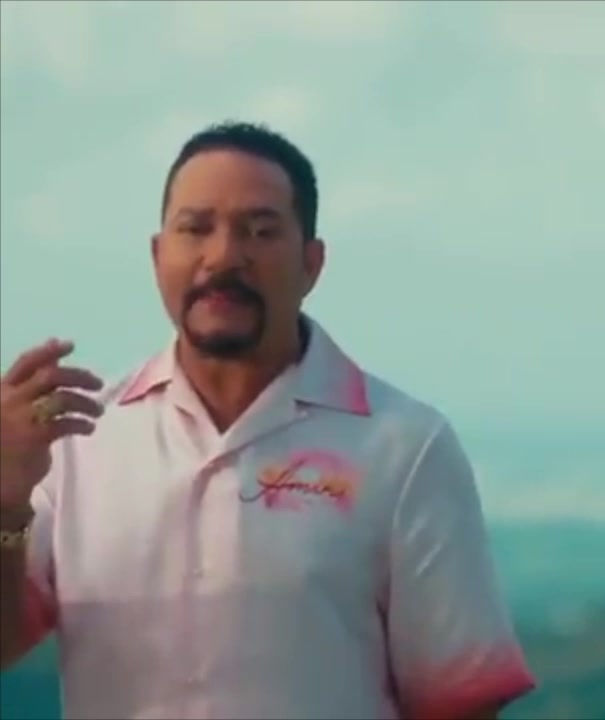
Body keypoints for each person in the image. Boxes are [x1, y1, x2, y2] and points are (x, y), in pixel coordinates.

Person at [0, 121, 536, 719]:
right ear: (157, 256)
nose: (224, 256)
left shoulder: (404, 448)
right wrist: (6, 498)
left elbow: (459, 702)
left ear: (311, 263)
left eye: (259, 231)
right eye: (195, 228)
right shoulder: (80, 440)